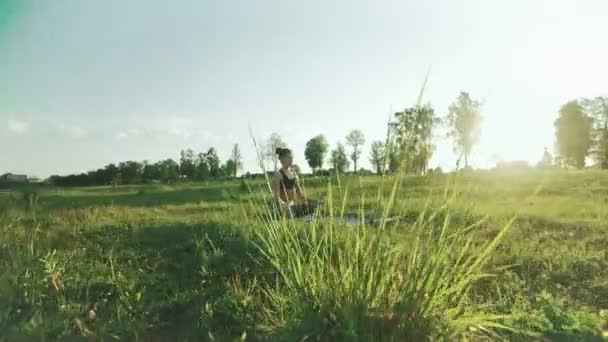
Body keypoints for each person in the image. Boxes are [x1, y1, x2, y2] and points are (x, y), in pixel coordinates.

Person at [271, 147, 318, 218]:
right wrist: (284, 205)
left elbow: (299, 193)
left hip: (291, 204)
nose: (291, 160)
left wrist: (307, 201)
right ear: (282, 159)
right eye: (289, 157)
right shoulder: (278, 175)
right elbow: (276, 198)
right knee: (290, 213)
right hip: (281, 206)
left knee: (315, 206)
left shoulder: (294, 174)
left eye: (292, 158)